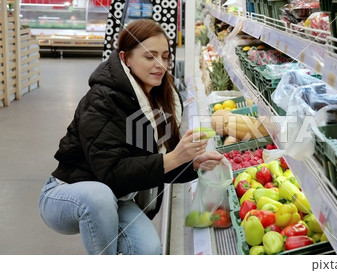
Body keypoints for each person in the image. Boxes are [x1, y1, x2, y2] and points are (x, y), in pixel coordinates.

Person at [38, 19, 223, 255]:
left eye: (165, 56)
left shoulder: (159, 99)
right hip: (68, 194)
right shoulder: (103, 100)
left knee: (149, 249)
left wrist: (192, 164)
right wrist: (175, 158)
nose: (160, 64)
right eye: (150, 56)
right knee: (98, 196)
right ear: (125, 58)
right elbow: (111, 172)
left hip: (119, 196)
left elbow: (153, 165)